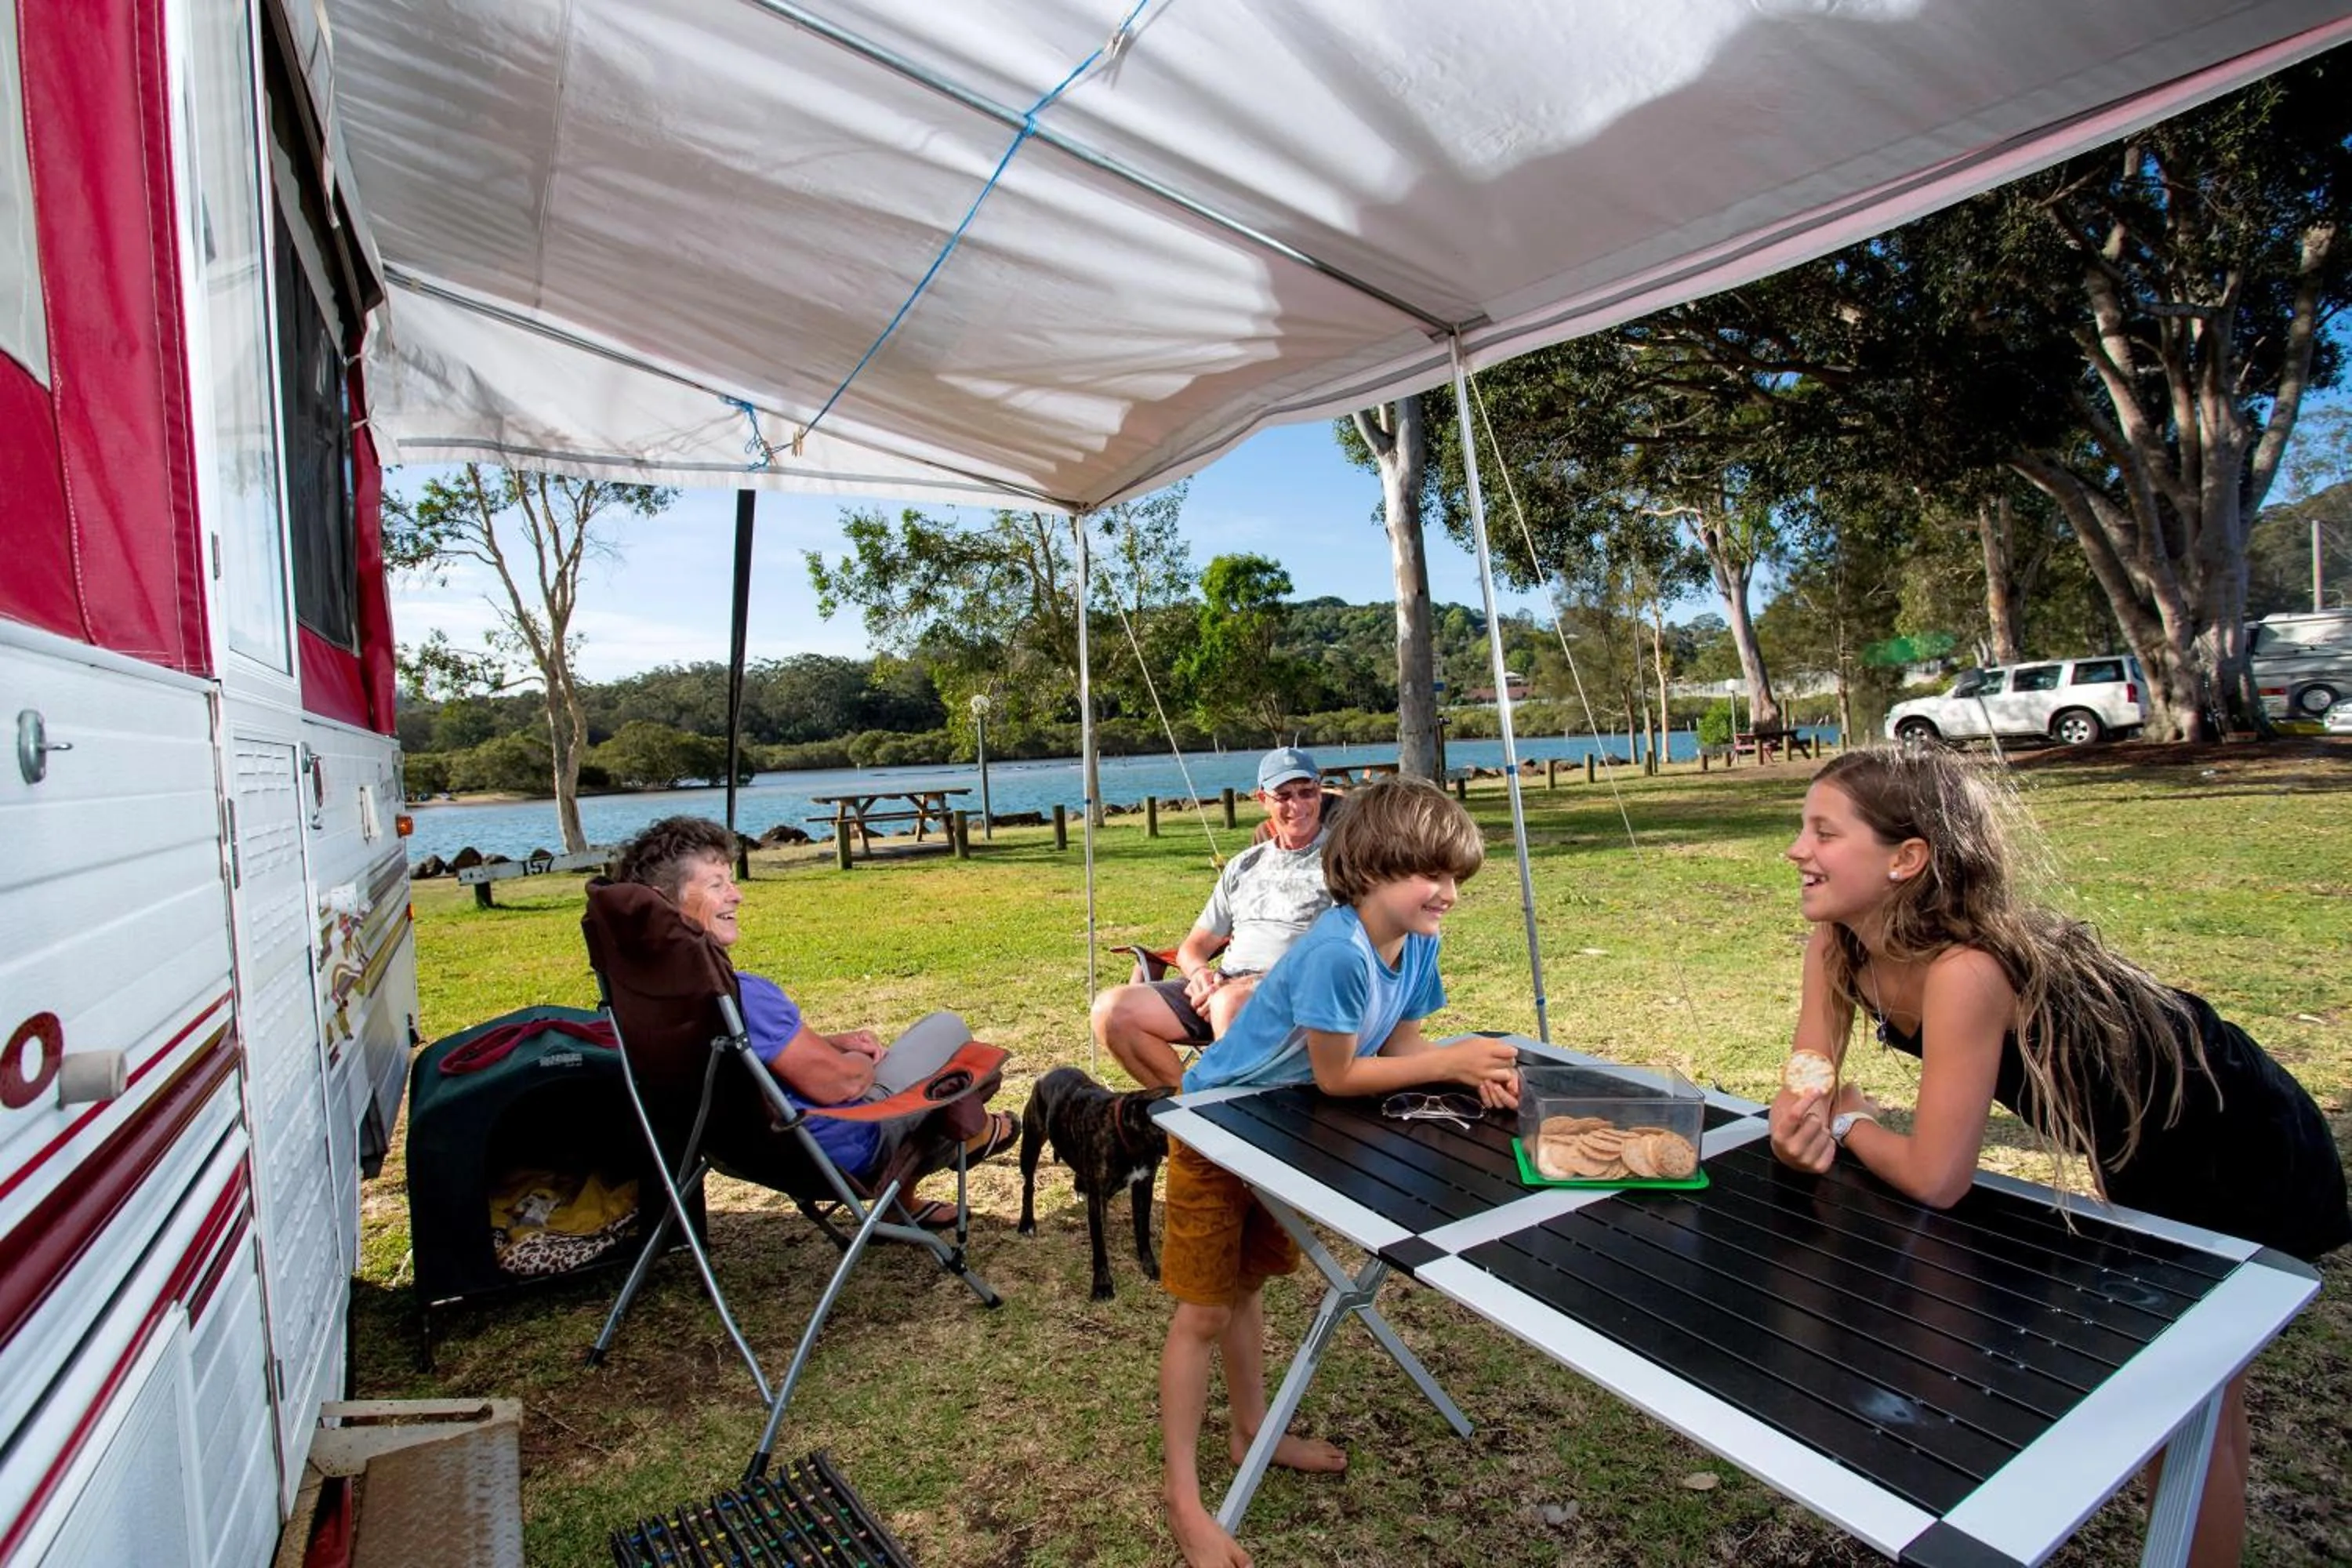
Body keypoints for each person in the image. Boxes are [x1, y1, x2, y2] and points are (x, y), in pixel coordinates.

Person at [1770, 748, 2348, 1568]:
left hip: (2233, 1136)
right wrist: (1805, 1102)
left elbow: (1938, 1176)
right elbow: (1812, 1063)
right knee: (2193, 1393)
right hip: (2142, 1137)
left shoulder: (1966, 971)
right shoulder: (1840, 943)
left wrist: (1853, 1120)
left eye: (1823, 831)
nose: (1797, 848)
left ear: (1906, 859)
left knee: (2181, 1399)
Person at [1156, 778, 1522, 1568]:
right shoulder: (1334, 951)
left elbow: (1402, 1052)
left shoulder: (1417, 941)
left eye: (1457, 876)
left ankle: (1251, 1428)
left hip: (1275, 1128)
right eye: (1436, 875)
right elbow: (1339, 1076)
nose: (1451, 894)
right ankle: (1184, 1498)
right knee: (1204, 1313)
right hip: (1216, 1125)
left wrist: (1461, 1072)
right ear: (1375, 866)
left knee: (1247, 1287)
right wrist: (1457, 1057)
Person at [615, 815, 1018, 1225]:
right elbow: (844, 1084)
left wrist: (831, 1042)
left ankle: (941, 1165)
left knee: (928, 1068)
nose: (736, 896)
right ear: (663, 901)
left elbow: (744, 1060)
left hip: (739, 1153)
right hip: (845, 1146)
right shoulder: (739, 994)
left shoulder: (649, 998)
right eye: (717, 885)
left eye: (731, 881)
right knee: (950, 1035)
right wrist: (864, 1064)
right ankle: (976, 1134)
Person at [1091, 747, 1335, 1089]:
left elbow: (1350, 944)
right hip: (1221, 986)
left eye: (1307, 792)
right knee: (1111, 1011)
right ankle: (1194, 1109)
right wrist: (1200, 976)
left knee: (1229, 1003)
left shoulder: (1342, 860)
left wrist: (1243, 986)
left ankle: (1227, 1118)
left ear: (1320, 792)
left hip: (1290, 993)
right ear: (1262, 798)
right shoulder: (1244, 865)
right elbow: (1194, 946)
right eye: (1283, 795)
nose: (1297, 806)